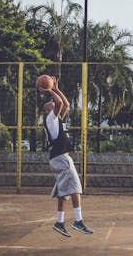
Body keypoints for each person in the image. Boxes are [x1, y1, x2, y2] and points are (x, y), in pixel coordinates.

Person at [39, 77, 93, 237]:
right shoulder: (50, 118)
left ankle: (59, 222)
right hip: (61, 158)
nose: (54, 103)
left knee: (65, 193)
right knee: (75, 188)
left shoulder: (57, 119)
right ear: (48, 110)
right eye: (51, 104)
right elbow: (60, 104)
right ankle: (78, 221)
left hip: (58, 158)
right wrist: (49, 91)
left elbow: (65, 104)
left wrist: (55, 88)